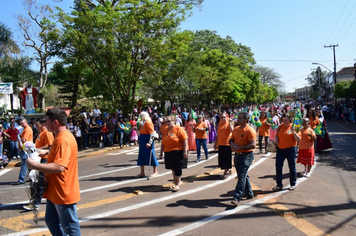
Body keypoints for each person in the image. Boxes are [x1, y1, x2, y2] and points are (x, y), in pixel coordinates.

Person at [26, 108, 81, 235]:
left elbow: (59, 167)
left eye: (46, 121)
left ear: (55, 122)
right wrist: (45, 152)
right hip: (54, 190)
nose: (44, 124)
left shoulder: (63, 139)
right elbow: (58, 155)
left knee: (70, 226)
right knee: (51, 221)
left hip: (62, 191)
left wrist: (34, 165)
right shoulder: (60, 137)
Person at [23, 117, 54, 211]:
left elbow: (49, 145)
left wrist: (36, 149)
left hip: (44, 159)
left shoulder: (47, 133)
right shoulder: (40, 134)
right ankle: (40, 200)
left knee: (39, 181)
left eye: (37, 124)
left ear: (43, 124)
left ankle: (36, 203)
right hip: (38, 159)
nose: (36, 126)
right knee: (38, 181)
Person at [229, 112, 256, 207]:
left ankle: (237, 197)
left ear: (245, 120)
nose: (238, 119)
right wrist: (233, 145)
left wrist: (240, 147)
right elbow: (230, 140)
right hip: (237, 155)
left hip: (246, 156)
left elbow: (253, 145)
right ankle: (249, 193)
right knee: (242, 175)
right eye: (238, 118)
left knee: (241, 177)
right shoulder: (236, 129)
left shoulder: (250, 130)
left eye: (240, 118)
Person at [159, 115, 188, 192]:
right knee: (172, 167)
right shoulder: (165, 130)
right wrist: (161, 152)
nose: (167, 123)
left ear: (174, 121)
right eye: (166, 121)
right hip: (168, 151)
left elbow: (185, 140)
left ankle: (177, 184)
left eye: (169, 121)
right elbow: (163, 142)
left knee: (177, 167)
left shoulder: (179, 129)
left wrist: (185, 151)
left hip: (177, 151)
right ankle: (175, 181)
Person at [273, 113, 301, 192]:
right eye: (283, 120)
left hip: (291, 149)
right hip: (280, 149)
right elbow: (276, 135)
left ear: (290, 119)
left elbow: (298, 140)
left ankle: (292, 184)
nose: (284, 122)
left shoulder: (293, 127)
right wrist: (276, 139)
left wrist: (294, 132)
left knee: (292, 167)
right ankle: (279, 185)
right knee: (278, 167)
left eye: (286, 120)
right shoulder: (280, 127)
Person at [136, 112, 159, 177]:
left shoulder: (148, 122)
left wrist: (149, 142)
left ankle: (155, 171)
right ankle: (142, 172)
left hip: (147, 139)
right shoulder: (142, 123)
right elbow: (140, 132)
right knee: (141, 155)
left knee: (151, 155)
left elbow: (152, 133)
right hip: (142, 139)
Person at [214, 112, 233, 180]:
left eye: (224, 117)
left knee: (227, 159)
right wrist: (216, 143)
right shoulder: (220, 124)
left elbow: (231, 131)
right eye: (221, 117)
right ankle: (228, 170)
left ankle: (226, 171)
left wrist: (230, 123)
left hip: (227, 144)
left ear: (226, 117)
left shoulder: (228, 123)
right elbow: (218, 134)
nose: (223, 119)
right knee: (222, 159)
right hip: (221, 144)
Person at [16, 118, 33, 185]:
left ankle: (21, 179)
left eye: (22, 123)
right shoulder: (25, 129)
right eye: (21, 123)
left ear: (26, 122)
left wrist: (20, 138)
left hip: (26, 148)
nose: (21, 124)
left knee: (24, 163)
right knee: (28, 163)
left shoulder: (27, 129)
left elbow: (24, 140)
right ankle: (32, 177)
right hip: (26, 148)